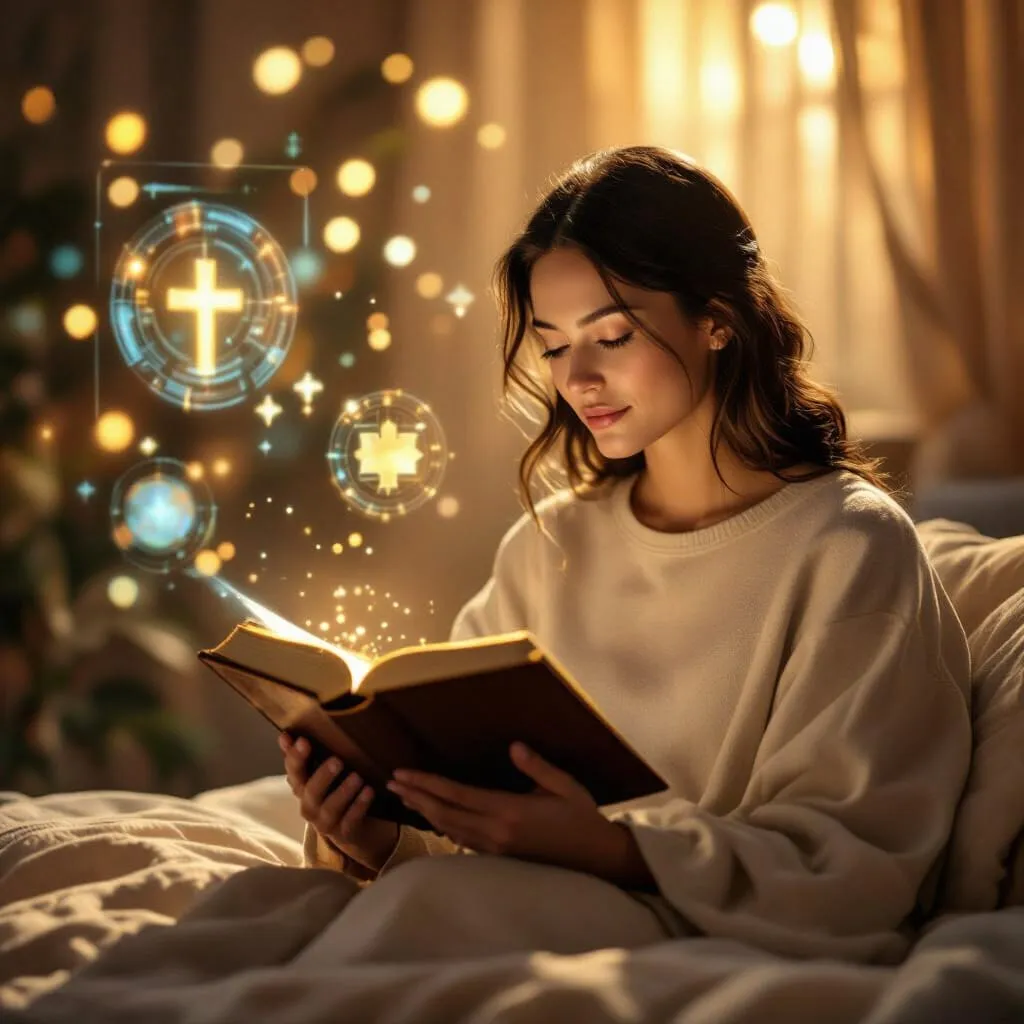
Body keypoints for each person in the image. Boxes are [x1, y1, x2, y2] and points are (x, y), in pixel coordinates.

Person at [281, 145, 972, 965]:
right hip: (516, 903)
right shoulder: (552, 544)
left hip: (695, 932)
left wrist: (610, 848)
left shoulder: (848, 546)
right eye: (551, 345)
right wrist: (376, 834)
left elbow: (853, 862)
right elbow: (469, 816)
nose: (578, 378)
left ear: (717, 319)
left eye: (610, 335)